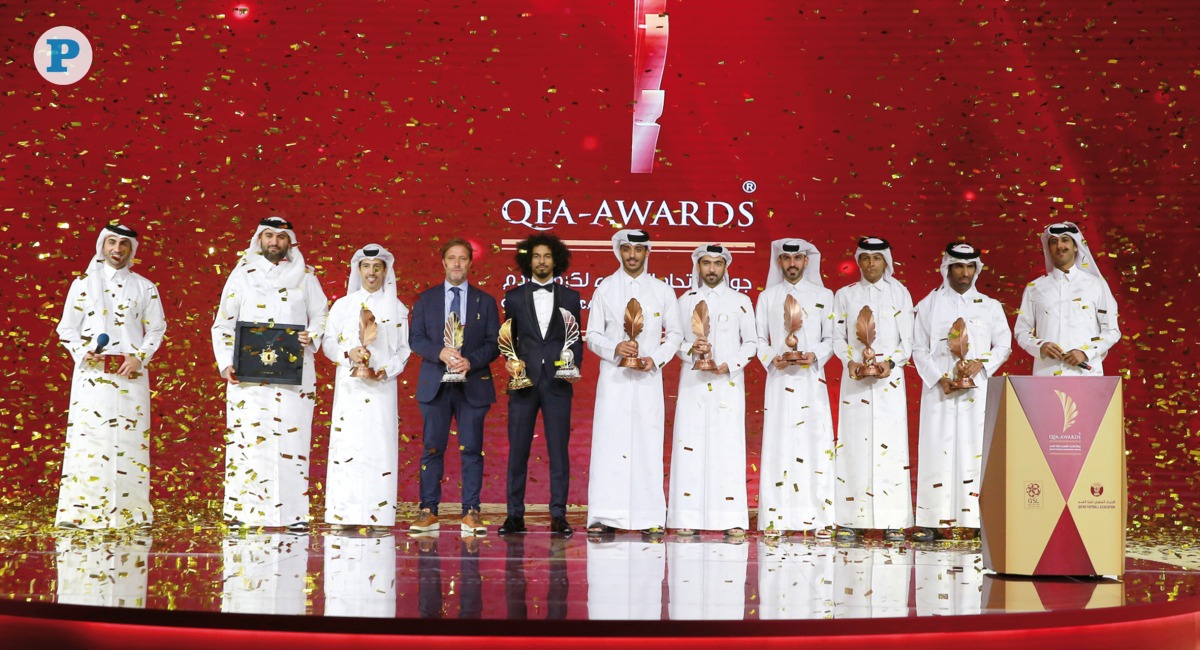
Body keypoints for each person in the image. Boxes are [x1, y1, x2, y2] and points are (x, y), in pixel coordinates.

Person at [211, 216, 328, 530]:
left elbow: (321, 315)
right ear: (259, 240)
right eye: (268, 236)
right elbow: (223, 323)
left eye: (280, 237)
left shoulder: (305, 276)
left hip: (294, 376)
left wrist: (311, 335)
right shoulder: (241, 275)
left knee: (293, 442)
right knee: (247, 440)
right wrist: (226, 362)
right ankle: (240, 512)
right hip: (248, 377)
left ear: (289, 240)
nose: (274, 243)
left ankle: (295, 516)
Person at [55, 223, 166, 529]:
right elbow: (66, 328)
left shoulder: (145, 287)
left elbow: (157, 328)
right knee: (89, 439)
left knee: (130, 442)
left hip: (130, 375)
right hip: (92, 375)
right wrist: (82, 351)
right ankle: (77, 513)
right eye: (112, 243)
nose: (117, 250)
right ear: (102, 246)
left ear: (132, 250)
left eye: (124, 245)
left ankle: (131, 514)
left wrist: (139, 357)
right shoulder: (82, 285)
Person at [584, 229, 683, 535]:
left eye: (638, 251)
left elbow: (677, 334)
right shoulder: (605, 289)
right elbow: (592, 336)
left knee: (647, 444)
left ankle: (650, 517)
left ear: (646, 253)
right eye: (627, 250)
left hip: (648, 380)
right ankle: (604, 516)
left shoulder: (662, 291)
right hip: (614, 381)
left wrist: (657, 358)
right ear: (619, 251)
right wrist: (614, 349)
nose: (632, 256)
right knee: (608, 444)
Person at [911, 243, 1012, 542]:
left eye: (970, 267)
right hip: (939, 391)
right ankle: (930, 521)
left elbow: (1004, 345)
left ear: (977, 269)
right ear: (947, 268)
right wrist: (936, 377)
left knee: (974, 451)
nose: (965, 273)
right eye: (959, 266)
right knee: (935, 451)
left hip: (975, 392)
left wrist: (982, 365)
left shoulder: (990, 306)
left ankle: (976, 521)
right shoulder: (928, 305)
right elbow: (918, 347)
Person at [408, 238, 500, 535]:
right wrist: (440, 352)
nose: (457, 263)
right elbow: (416, 339)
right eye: (452, 258)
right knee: (432, 449)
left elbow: (494, 343)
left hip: (472, 385)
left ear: (470, 263)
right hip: (435, 383)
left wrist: (470, 361)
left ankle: (471, 512)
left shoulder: (484, 301)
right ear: (443, 263)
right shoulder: (426, 299)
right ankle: (428, 511)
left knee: (472, 449)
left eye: (463, 258)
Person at [667, 244, 757, 537]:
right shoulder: (684, 301)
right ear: (698, 267)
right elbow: (674, 341)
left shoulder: (740, 300)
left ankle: (730, 518)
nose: (711, 269)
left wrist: (729, 365)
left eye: (717, 264)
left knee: (727, 448)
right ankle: (688, 516)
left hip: (727, 384)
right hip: (693, 385)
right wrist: (690, 349)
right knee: (690, 447)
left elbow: (752, 343)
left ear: (725, 267)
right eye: (706, 263)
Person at [321, 244, 411, 531]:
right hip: (349, 389)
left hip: (382, 389)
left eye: (377, 267)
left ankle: (379, 515)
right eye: (366, 266)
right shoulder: (343, 305)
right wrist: (349, 353)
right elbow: (328, 342)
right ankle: (342, 515)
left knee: (379, 448)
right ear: (357, 270)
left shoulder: (397, 308)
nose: (371, 273)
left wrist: (386, 370)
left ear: (385, 270)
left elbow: (404, 350)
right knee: (346, 447)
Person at [831, 237, 915, 542]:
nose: (870, 264)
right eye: (865, 258)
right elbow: (836, 336)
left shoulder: (900, 294)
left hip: (888, 384)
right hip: (855, 383)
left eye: (876, 259)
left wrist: (891, 364)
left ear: (886, 261)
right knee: (853, 447)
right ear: (858, 261)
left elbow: (909, 341)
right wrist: (850, 361)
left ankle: (893, 520)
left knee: (890, 448)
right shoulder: (845, 295)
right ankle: (850, 520)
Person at [499, 234, 582, 538]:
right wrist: (510, 362)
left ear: (555, 260)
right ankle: (514, 515)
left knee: (558, 451)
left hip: (558, 383)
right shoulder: (515, 297)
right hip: (523, 382)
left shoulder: (571, 298)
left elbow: (576, 341)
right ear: (528, 260)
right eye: (536, 256)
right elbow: (508, 340)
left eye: (547, 256)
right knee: (518, 450)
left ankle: (558, 515)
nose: (542, 261)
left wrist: (574, 368)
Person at [753, 238, 837, 539]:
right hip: (778, 381)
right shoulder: (767, 297)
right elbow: (758, 339)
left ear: (806, 261)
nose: (792, 264)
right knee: (778, 445)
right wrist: (770, 358)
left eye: (798, 259)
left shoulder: (825, 295)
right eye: (786, 259)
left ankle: (820, 518)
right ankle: (775, 519)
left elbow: (832, 338)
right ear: (779, 262)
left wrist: (815, 355)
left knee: (815, 444)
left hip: (811, 381)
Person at [1014, 221, 1120, 376]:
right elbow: (1022, 331)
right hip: (1046, 374)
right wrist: (1040, 346)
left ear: (1076, 246)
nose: (1060, 246)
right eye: (1054, 242)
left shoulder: (1096, 285)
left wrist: (1085, 353)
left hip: (1086, 374)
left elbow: (1112, 330)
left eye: (1065, 240)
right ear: (1048, 248)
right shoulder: (1035, 287)